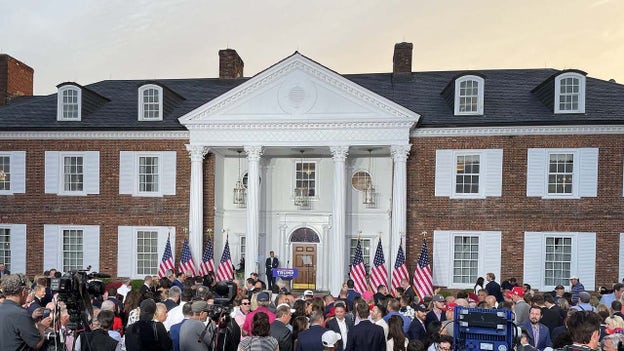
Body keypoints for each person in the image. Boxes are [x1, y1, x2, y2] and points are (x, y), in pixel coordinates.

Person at [0, 274, 52, 350]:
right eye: (28, 290)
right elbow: (37, 343)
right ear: (23, 292)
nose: (28, 292)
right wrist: (42, 326)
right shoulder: (20, 313)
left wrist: (32, 318)